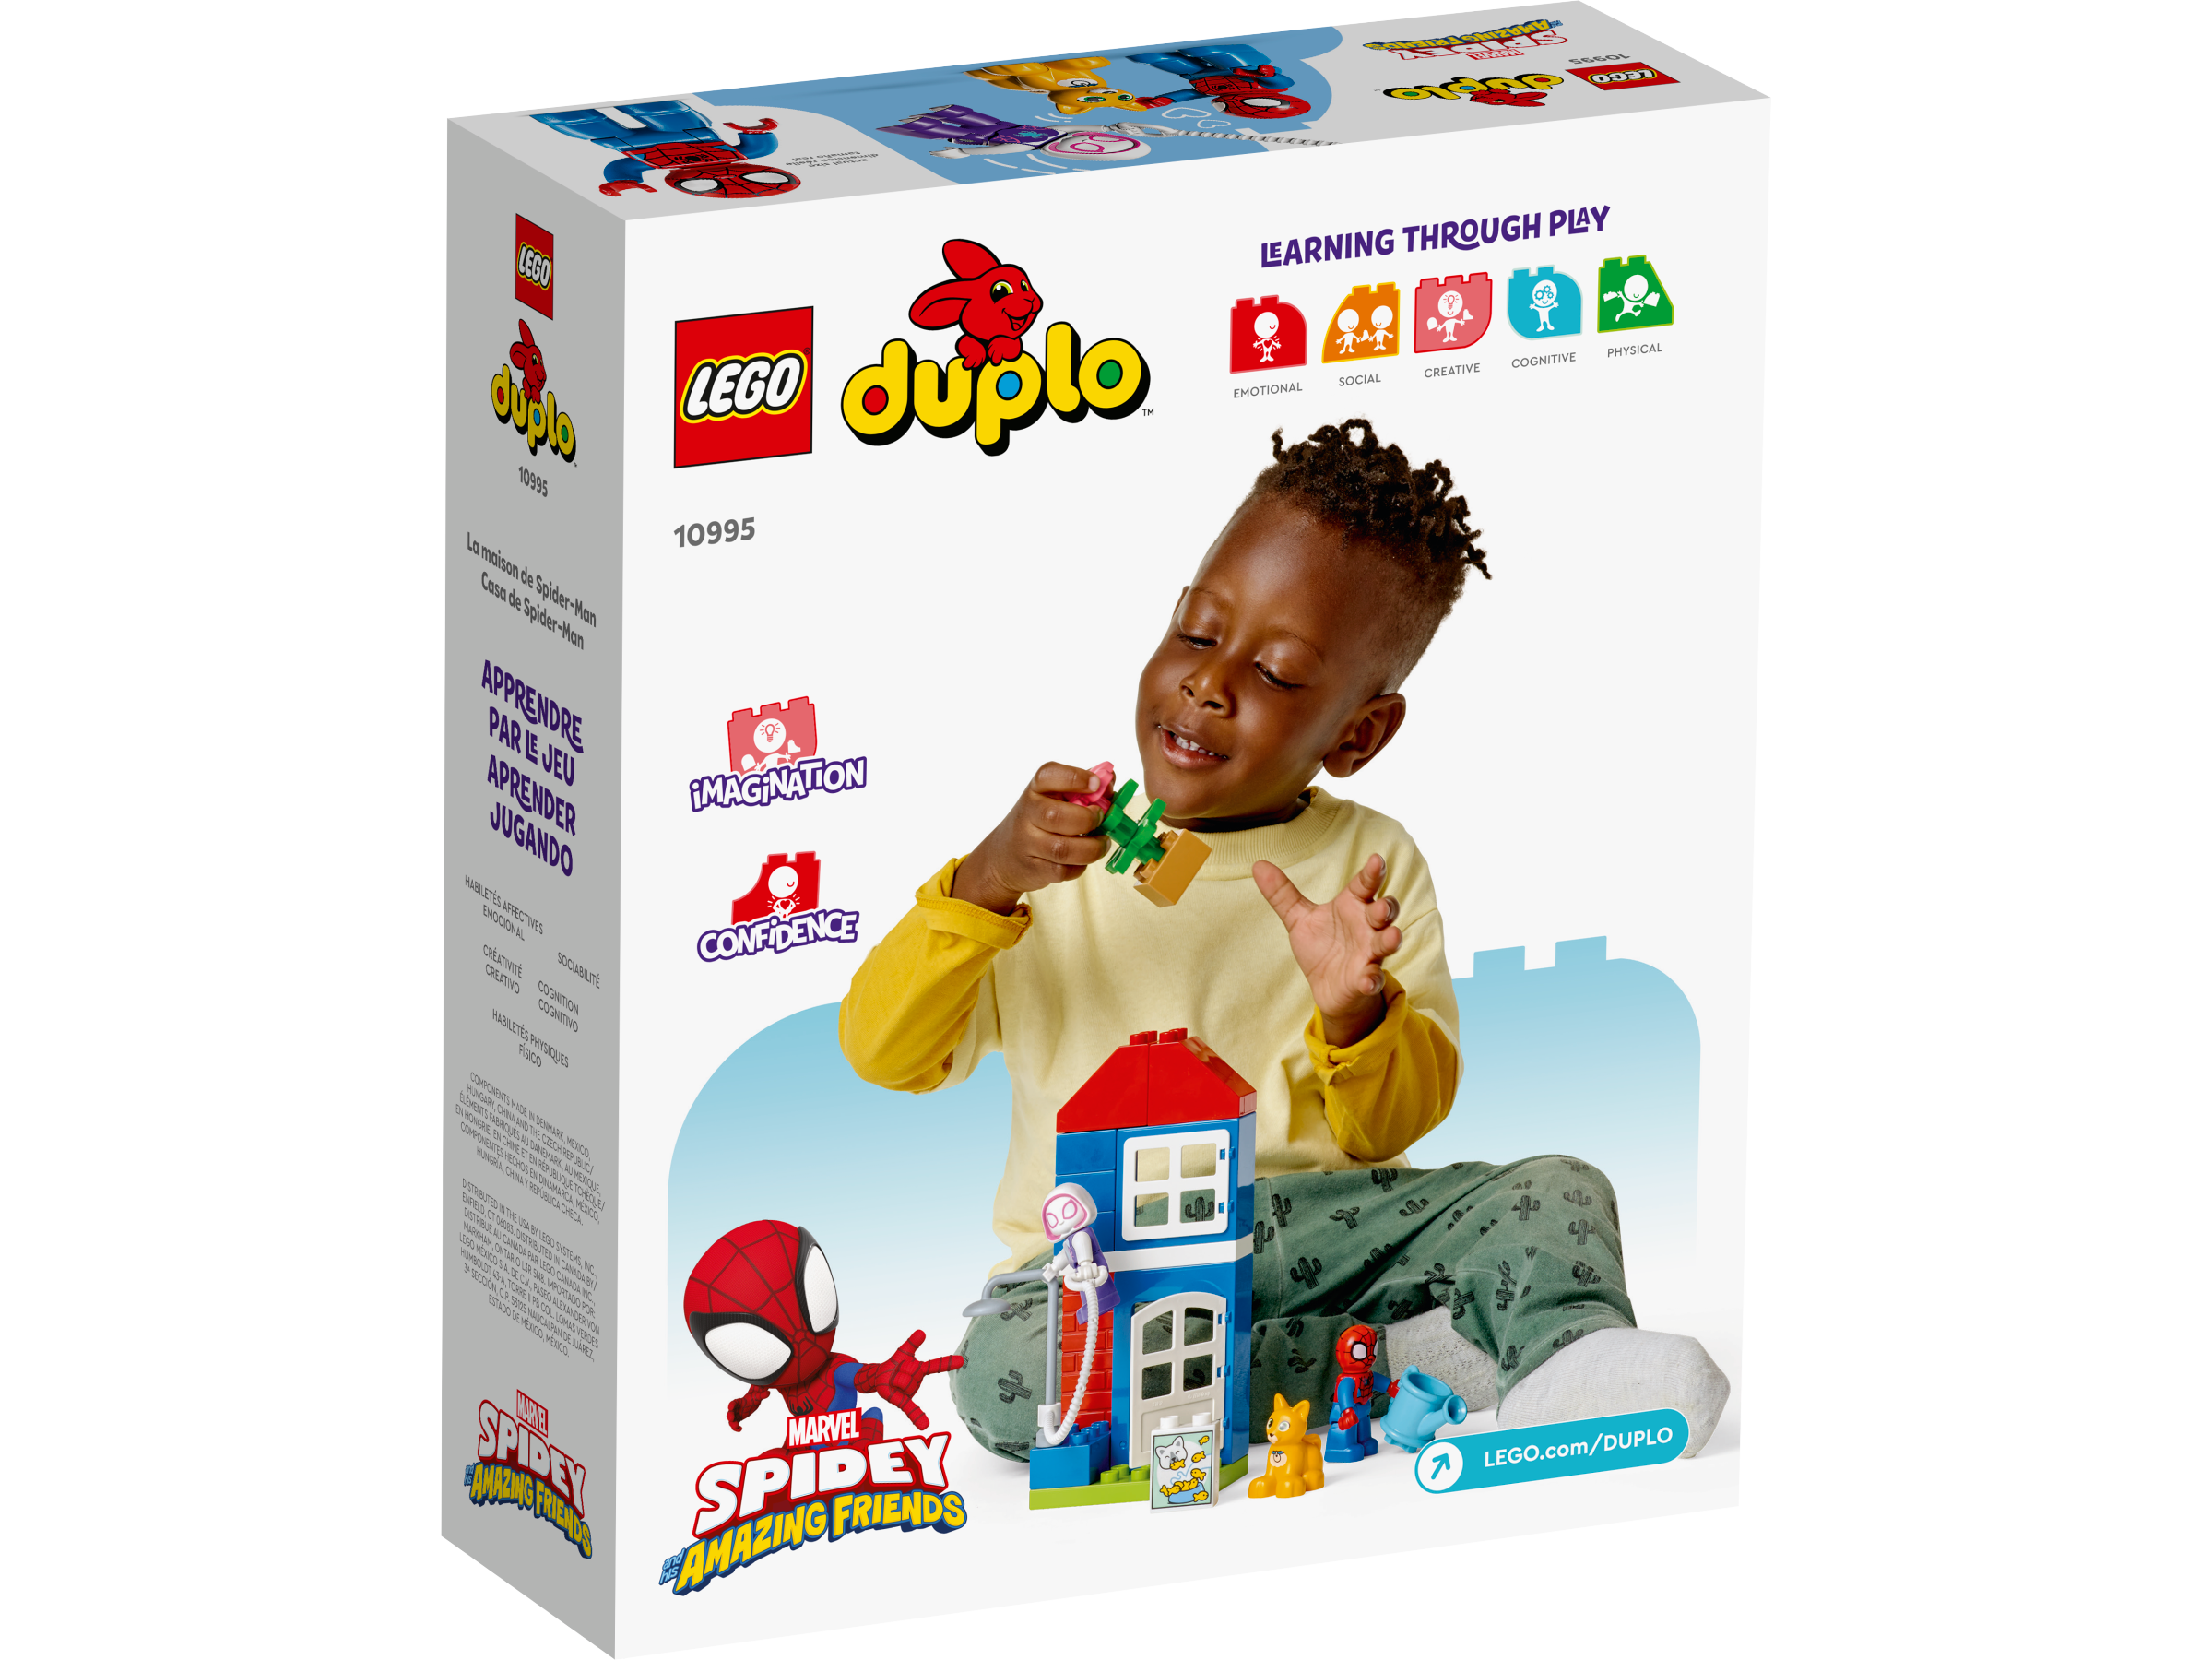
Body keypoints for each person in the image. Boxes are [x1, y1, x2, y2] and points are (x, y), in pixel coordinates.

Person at [838, 418, 1728, 1463]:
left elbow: (1388, 1128)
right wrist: (982, 886)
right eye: (1196, 633)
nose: (1207, 684)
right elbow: (882, 1054)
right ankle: (1400, 1361)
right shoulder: (1047, 865)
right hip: (1096, 1263)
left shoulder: (1368, 865)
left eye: (1275, 671)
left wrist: (1355, 1012)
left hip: (1326, 1232)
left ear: (1357, 734)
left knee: (1561, 1187)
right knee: (1003, 1370)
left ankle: (1570, 1359)